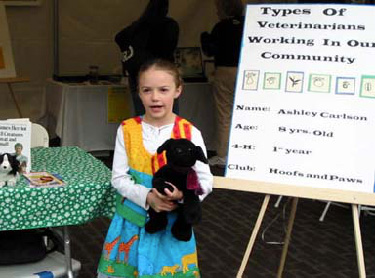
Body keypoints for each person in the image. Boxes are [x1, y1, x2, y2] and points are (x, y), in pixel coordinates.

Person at [97, 59, 213, 278]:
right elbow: (119, 178)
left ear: (178, 91)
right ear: (138, 93)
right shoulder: (127, 130)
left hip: (171, 229)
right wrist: (147, 197)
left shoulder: (190, 133)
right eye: (147, 90)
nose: (155, 97)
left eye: (163, 90)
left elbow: (205, 180)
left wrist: (182, 197)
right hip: (132, 222)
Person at [115, 0, 179, 116]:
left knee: (143, 120)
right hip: (163, 76)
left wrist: (129, 51)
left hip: (139, 76)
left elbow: (118, 37)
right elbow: (169, 48)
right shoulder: (169, 25)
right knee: (168, 121)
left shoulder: (138, 26)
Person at [200, 0, 244, 167]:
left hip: (225, 71)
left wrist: (204, 37)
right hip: (248, 72)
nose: (217, 12)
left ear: (224, 9)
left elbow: (210, 50)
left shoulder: (221, 27)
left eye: (218, 9)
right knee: (246, 113)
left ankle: (224, 155)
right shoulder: (249, 24)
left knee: (224, 114)